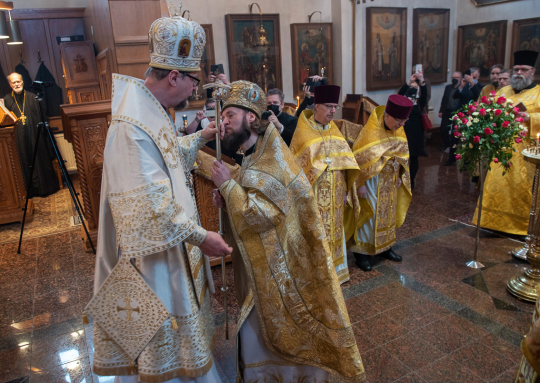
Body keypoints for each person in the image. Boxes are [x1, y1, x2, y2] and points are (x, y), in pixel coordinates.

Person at [90, 13, 232, 382]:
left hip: (172, 246)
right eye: (194, 81)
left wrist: (199, 138)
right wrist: (205, 239)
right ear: (174, 76)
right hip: (154, 261)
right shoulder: (130, 127)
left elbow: (166, 156)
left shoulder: (150, 110)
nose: (195, 89)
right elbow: (151, 208)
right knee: (164, 360)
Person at [210, 80, 365, 382]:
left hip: (281, 275)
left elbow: (260, 215)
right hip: (263, 269)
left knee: (269, 349)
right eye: (222, 116)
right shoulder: (252, 155)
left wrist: (228, 186)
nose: (222, 123)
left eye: (229, 115)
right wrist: (228, 199)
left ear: (251, 117)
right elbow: (251, 204)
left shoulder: (272, 161)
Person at [290, 85, 360, 284]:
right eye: (329, 106)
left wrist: (347, 189)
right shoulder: (303, 131)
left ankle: (336, 272)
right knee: (316, 232)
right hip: (314, 195)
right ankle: (317, 274)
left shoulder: (335, 131)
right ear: (317, 106)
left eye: (335, 107)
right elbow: (296, 167)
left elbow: (347, 163)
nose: (332, 111)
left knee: (336, 231)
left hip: (336, 195)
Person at [473, 50, 540, 235]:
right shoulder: (503, 91)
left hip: (525, 152)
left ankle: (518, 227)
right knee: (495, 185)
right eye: (516, 69)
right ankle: (492, 222)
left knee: (520, 189)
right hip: (500, 148)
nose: (519, 72)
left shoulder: (538, 93)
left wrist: (529, 117)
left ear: (532, 71)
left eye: (524, 69)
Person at [351, 95, 414, 272]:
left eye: (404, 121)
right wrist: (360, 183)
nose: (401, 125)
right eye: (399, 121)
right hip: (372, 181)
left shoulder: (399, 129)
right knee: (370, 213)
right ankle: (362, 254)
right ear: (387, 115)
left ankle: (385, 247)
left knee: (387, 214)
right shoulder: (371, 131)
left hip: (391, 180)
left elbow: (403, 155)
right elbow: (359, 158)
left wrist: (401, 174)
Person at [3, 73, 59, 197]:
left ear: (22, 82)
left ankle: (42, 189)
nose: (17, 84)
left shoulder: (33, 97)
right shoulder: (6, 100)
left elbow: (42, 118)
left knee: (38, 159)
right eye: (14, 82)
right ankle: (28, 192)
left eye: (19, 81)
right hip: (17, 139)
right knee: (22, 161)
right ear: (10, 84)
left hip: (35, 136)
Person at [446, 67, 484, 165]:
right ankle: (451, 158)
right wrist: (461, 87)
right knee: (454, 138)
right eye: (470, 76)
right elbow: (455, 96)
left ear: (478, 76)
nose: (472, 77)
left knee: (469, 140)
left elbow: (479, 96)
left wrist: (472, 83)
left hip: (472, 117)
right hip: (460, 115)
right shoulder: (464, 86)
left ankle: (467, 162)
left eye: (474, 76)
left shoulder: (480, 87)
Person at [398, 71, 428, 190]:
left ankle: (411, 180)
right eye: (411, 87)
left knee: (414, 158)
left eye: (416, 88)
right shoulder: (403, 101)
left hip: (416, 133)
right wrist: (409, 82)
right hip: (403, 132)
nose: (413, 89)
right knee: (402, 157)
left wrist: (422, 81)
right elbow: (399, 94)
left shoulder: (419, 102)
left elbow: (425, 94)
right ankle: (401, 179)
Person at [438, 71, 463, 151]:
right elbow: (444, 99)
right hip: (447, 111)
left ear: (460, 79)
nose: (454, 79)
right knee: (443, 129)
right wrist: (441, 111)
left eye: (456, 78)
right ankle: (446, 144)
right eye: (453, 77)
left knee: (454, 131)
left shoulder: (462, 88)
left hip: (457, 112)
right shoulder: (448, 87)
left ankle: (454, 147)